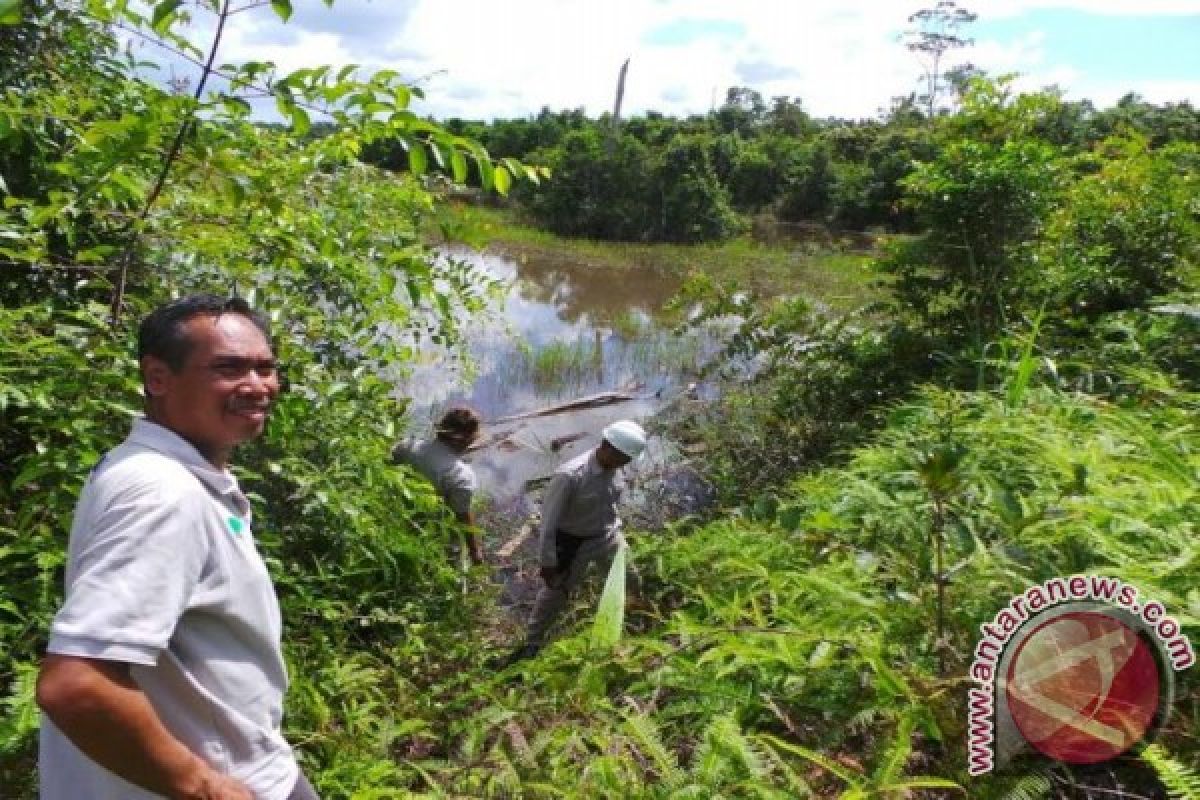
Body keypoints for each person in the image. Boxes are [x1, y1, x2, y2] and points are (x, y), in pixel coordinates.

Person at [35, 295, 319, 800]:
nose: (257, 386)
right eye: (228, 368)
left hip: (245, 766)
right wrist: (203, 786)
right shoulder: (165, 493)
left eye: (265, 368)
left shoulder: (151, 468)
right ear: (158, 378)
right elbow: (77, 683)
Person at [507, 419, 647, 663]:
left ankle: (633, 620)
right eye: (623, 458)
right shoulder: (570, 476)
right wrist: (548, 563)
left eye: (628, 460)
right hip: (574, 544)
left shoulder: (615, 468)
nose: (625, 464)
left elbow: (610, 503)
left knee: (630, 578)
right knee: (555, 594)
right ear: (607, 446)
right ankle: (532, 643)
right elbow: (548, 524)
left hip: (609, 536)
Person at [391, 407, 485, 565]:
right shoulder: (461, 475)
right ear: (467, 440)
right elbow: (462, 516)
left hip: (393, 519)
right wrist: (475, 551)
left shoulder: (407, 446)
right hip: (430, 535)